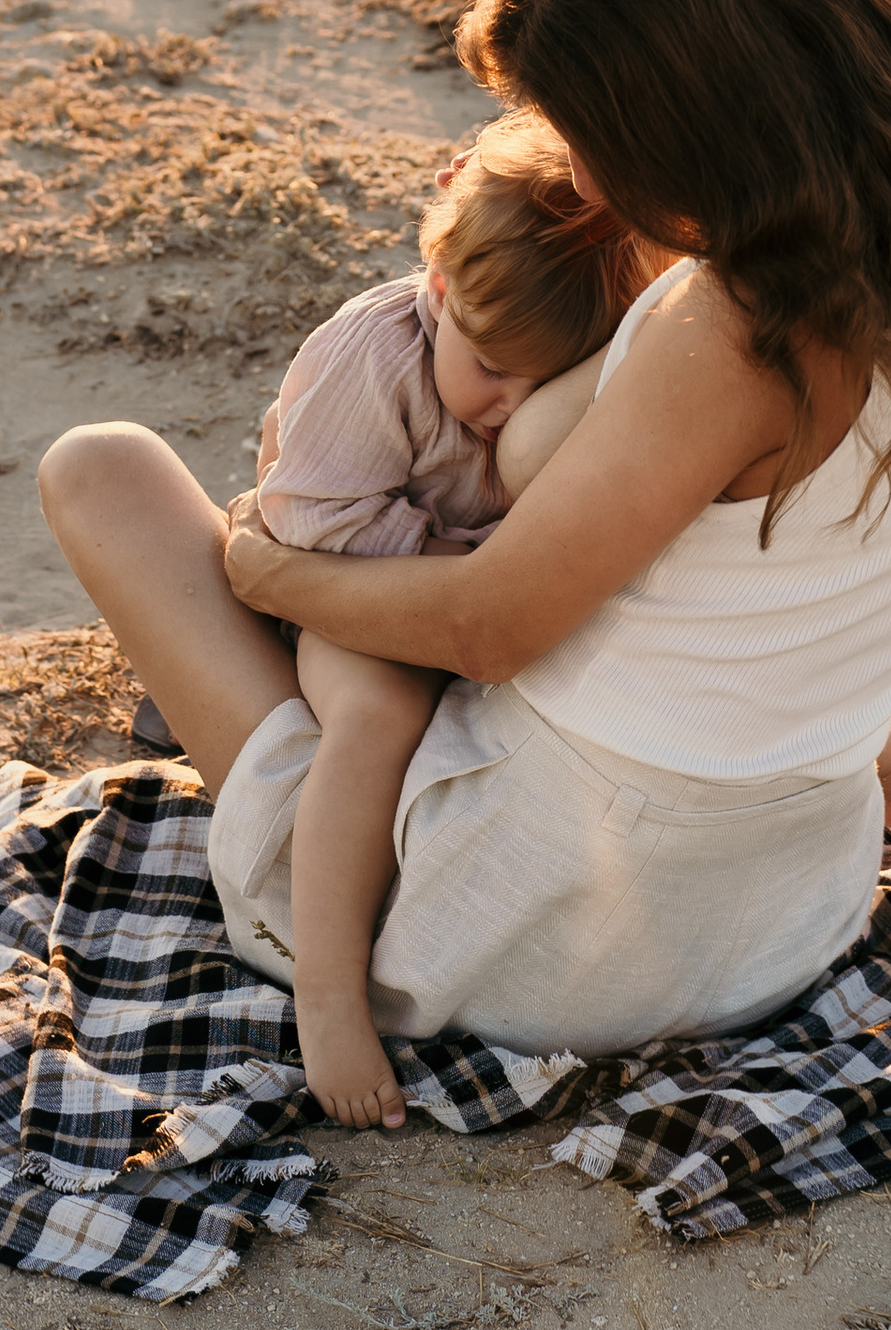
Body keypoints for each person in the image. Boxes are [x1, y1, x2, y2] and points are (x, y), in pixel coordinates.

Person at [38, 0, 891, 1126]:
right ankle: (887, 759)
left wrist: (273, 571)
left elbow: (489, 629)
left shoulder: (732, 329)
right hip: (786, 908)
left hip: (543, 925)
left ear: (695, 114)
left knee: (105, 471)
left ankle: (324, 930)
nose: (586, 182)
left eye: (598, 139)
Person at [251, 116, 662, 1123]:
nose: (510, 406)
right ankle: (330, 993)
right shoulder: (373, 356)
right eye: (491, 371)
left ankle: (883, 757)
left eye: (545, 385)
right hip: (359, 608)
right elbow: (313, 523)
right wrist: (462, 571)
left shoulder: (575, 354)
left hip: (492, 608)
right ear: (439, 292)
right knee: (376, 723)